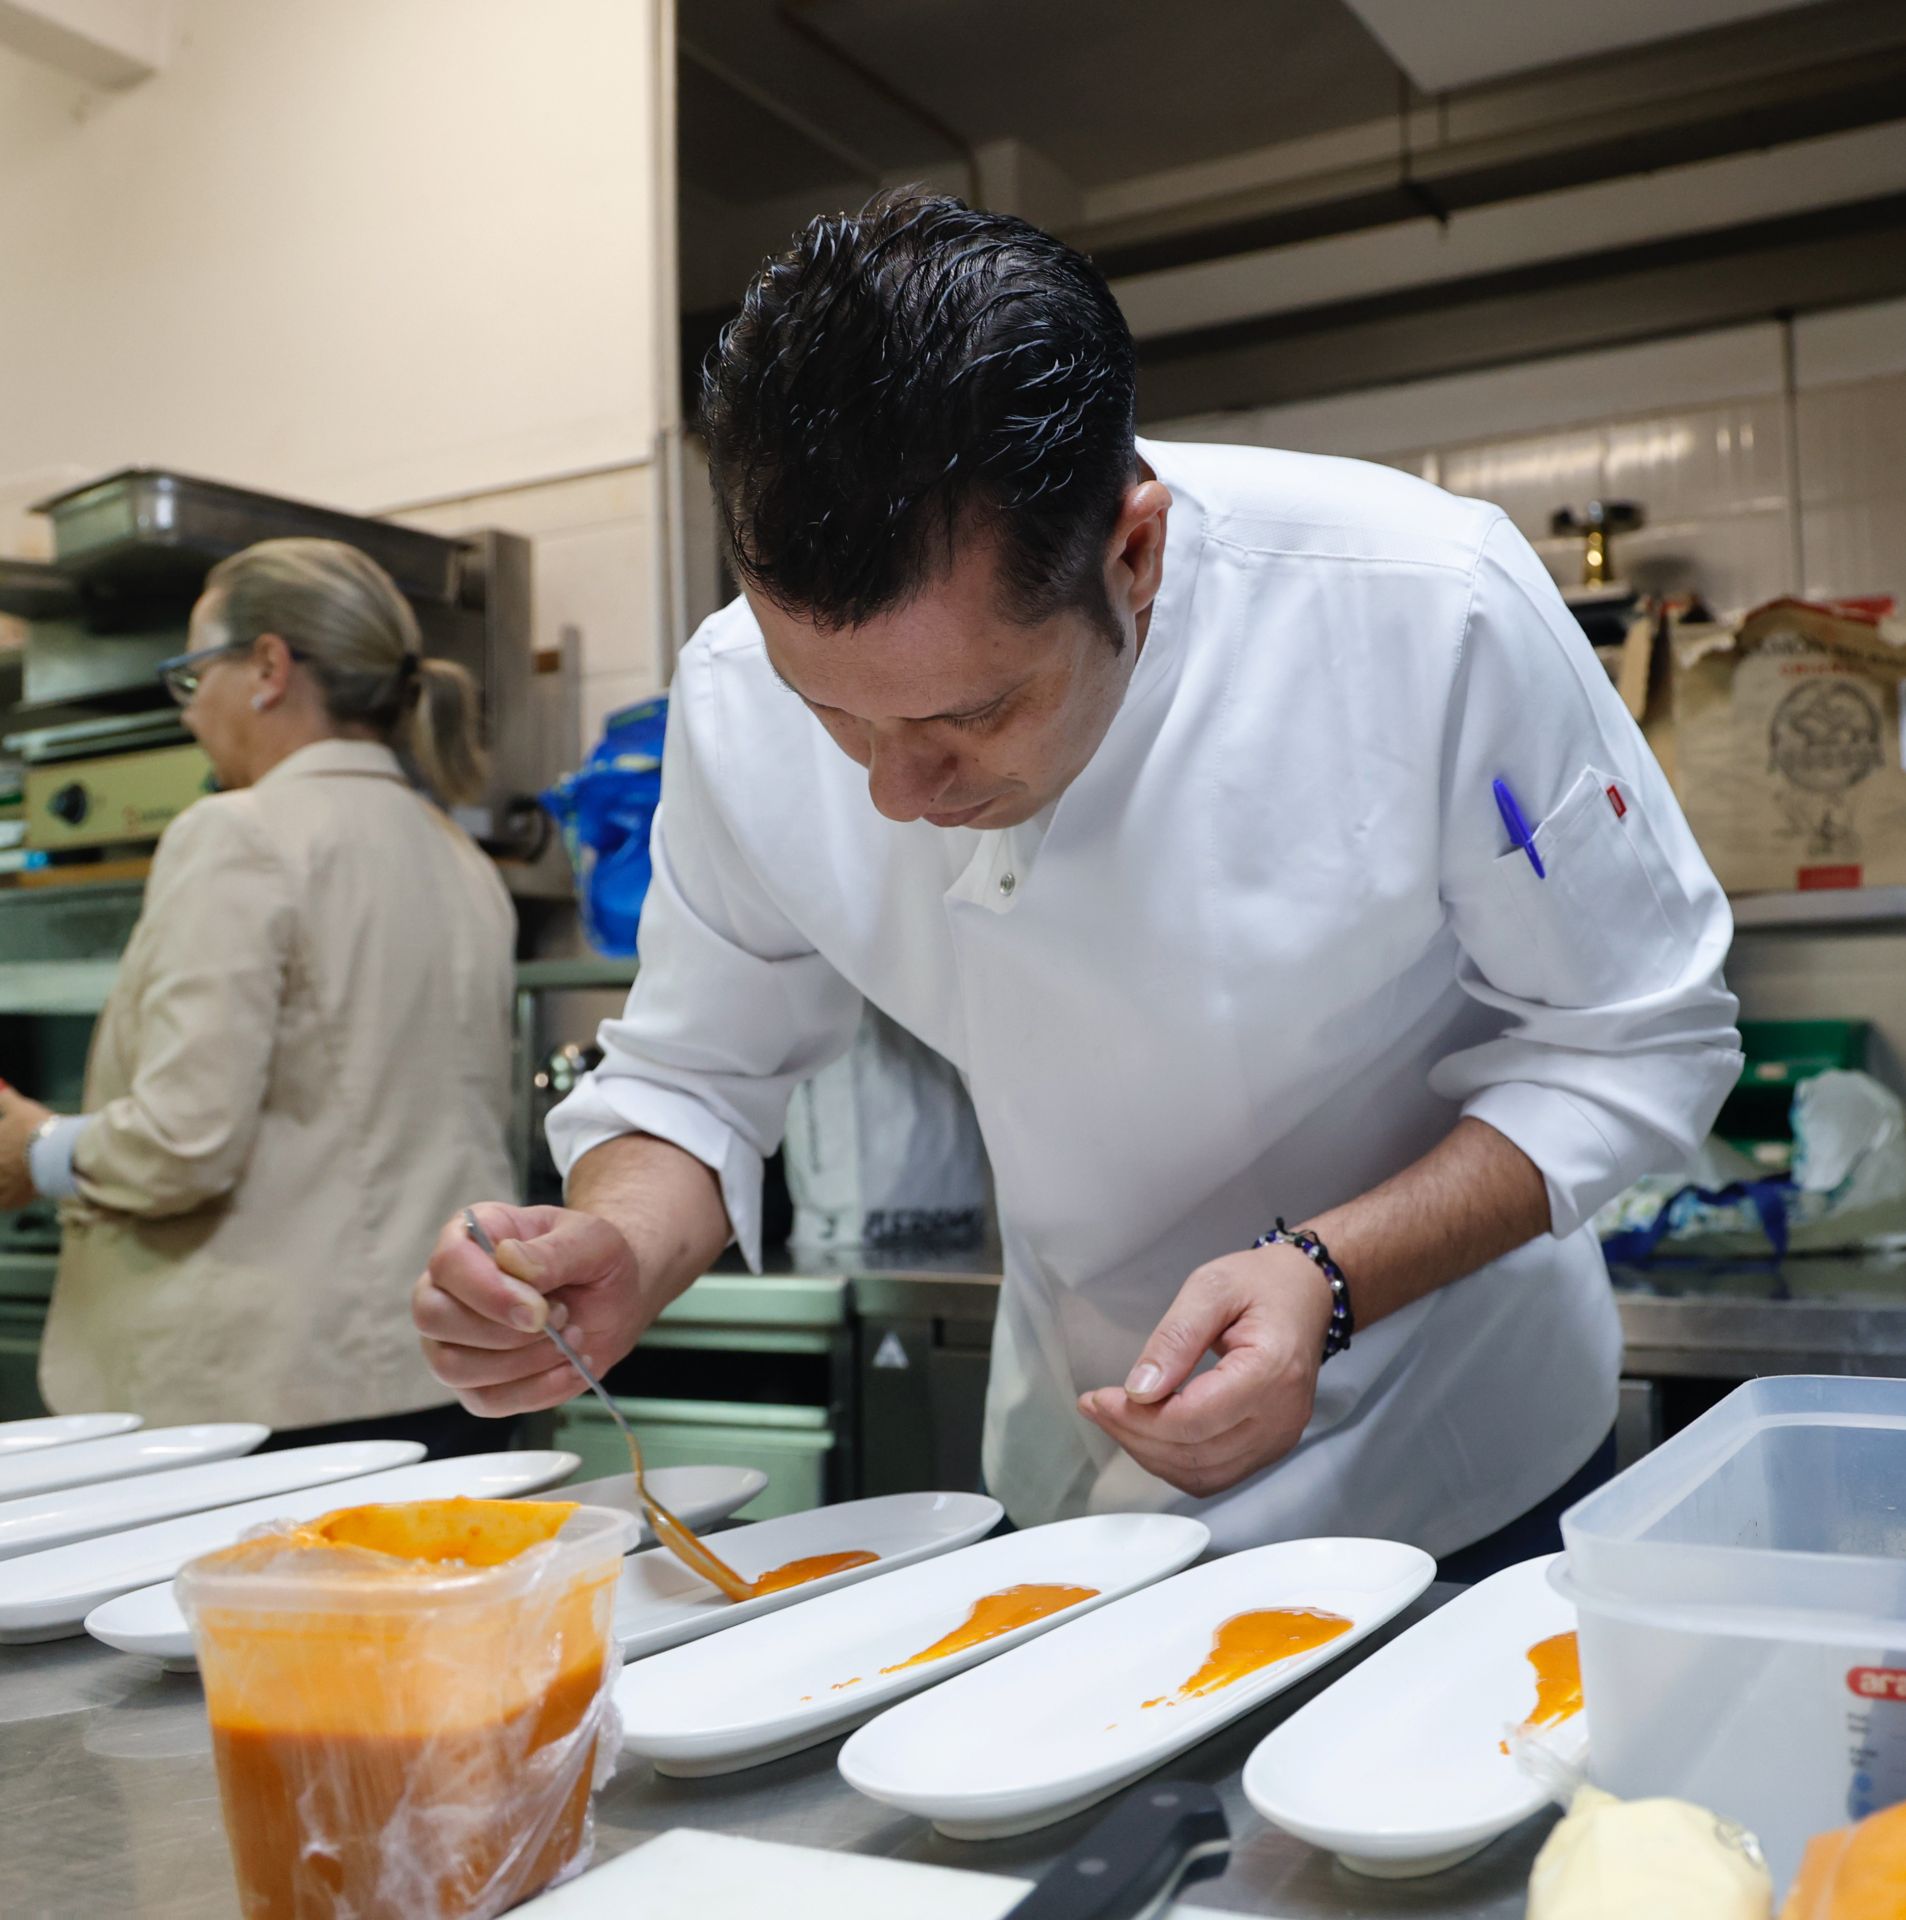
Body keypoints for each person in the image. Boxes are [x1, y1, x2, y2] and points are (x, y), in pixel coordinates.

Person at [413, 192, 1741, 1564]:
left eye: (969, 717)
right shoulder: (736, 696)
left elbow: (1635, 1044)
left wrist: (1326, 1278)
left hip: (1459, 1462)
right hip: (1088, 1475)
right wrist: (622, 1244)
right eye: (836, 716)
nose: (892, 791)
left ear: (1135, 553)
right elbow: (694, 1077)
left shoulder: (1424, 607)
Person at [0, 539, 519, 1457]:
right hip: (446, 1371)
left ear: (270, 668)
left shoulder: (236, 833)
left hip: (267, 1401)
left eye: (194, 674)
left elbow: (184, 1140)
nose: (192, 710)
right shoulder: (459, 854)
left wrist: (37, 1149)